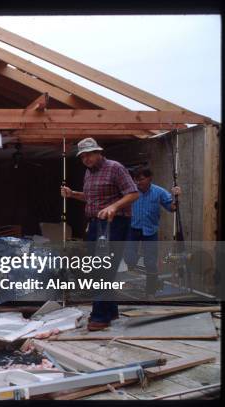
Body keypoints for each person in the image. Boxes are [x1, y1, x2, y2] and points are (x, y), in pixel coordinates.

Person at [61, 138, 139, 331]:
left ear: (99, 152)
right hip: (96, 224)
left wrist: (113, 206)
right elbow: (91, 198)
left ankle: (99, 317)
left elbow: (133, 193)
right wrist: (73, 194)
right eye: (83, 156)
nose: (86, 159)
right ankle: (110, 311)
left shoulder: (115, 168)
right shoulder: (89, 172)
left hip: (114, 223)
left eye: (89, 154)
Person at [124, 166, 181, 298]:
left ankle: (150, 292)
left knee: (150, 262)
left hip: (150, 231)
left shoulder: (159, 192)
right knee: (129, 257)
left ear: (150, 178)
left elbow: (172, 208)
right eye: (136, 180)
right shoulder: (131, 191)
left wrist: (177, 197)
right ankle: (133, 265)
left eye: (141, 179)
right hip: (132, 228)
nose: (138, 183)